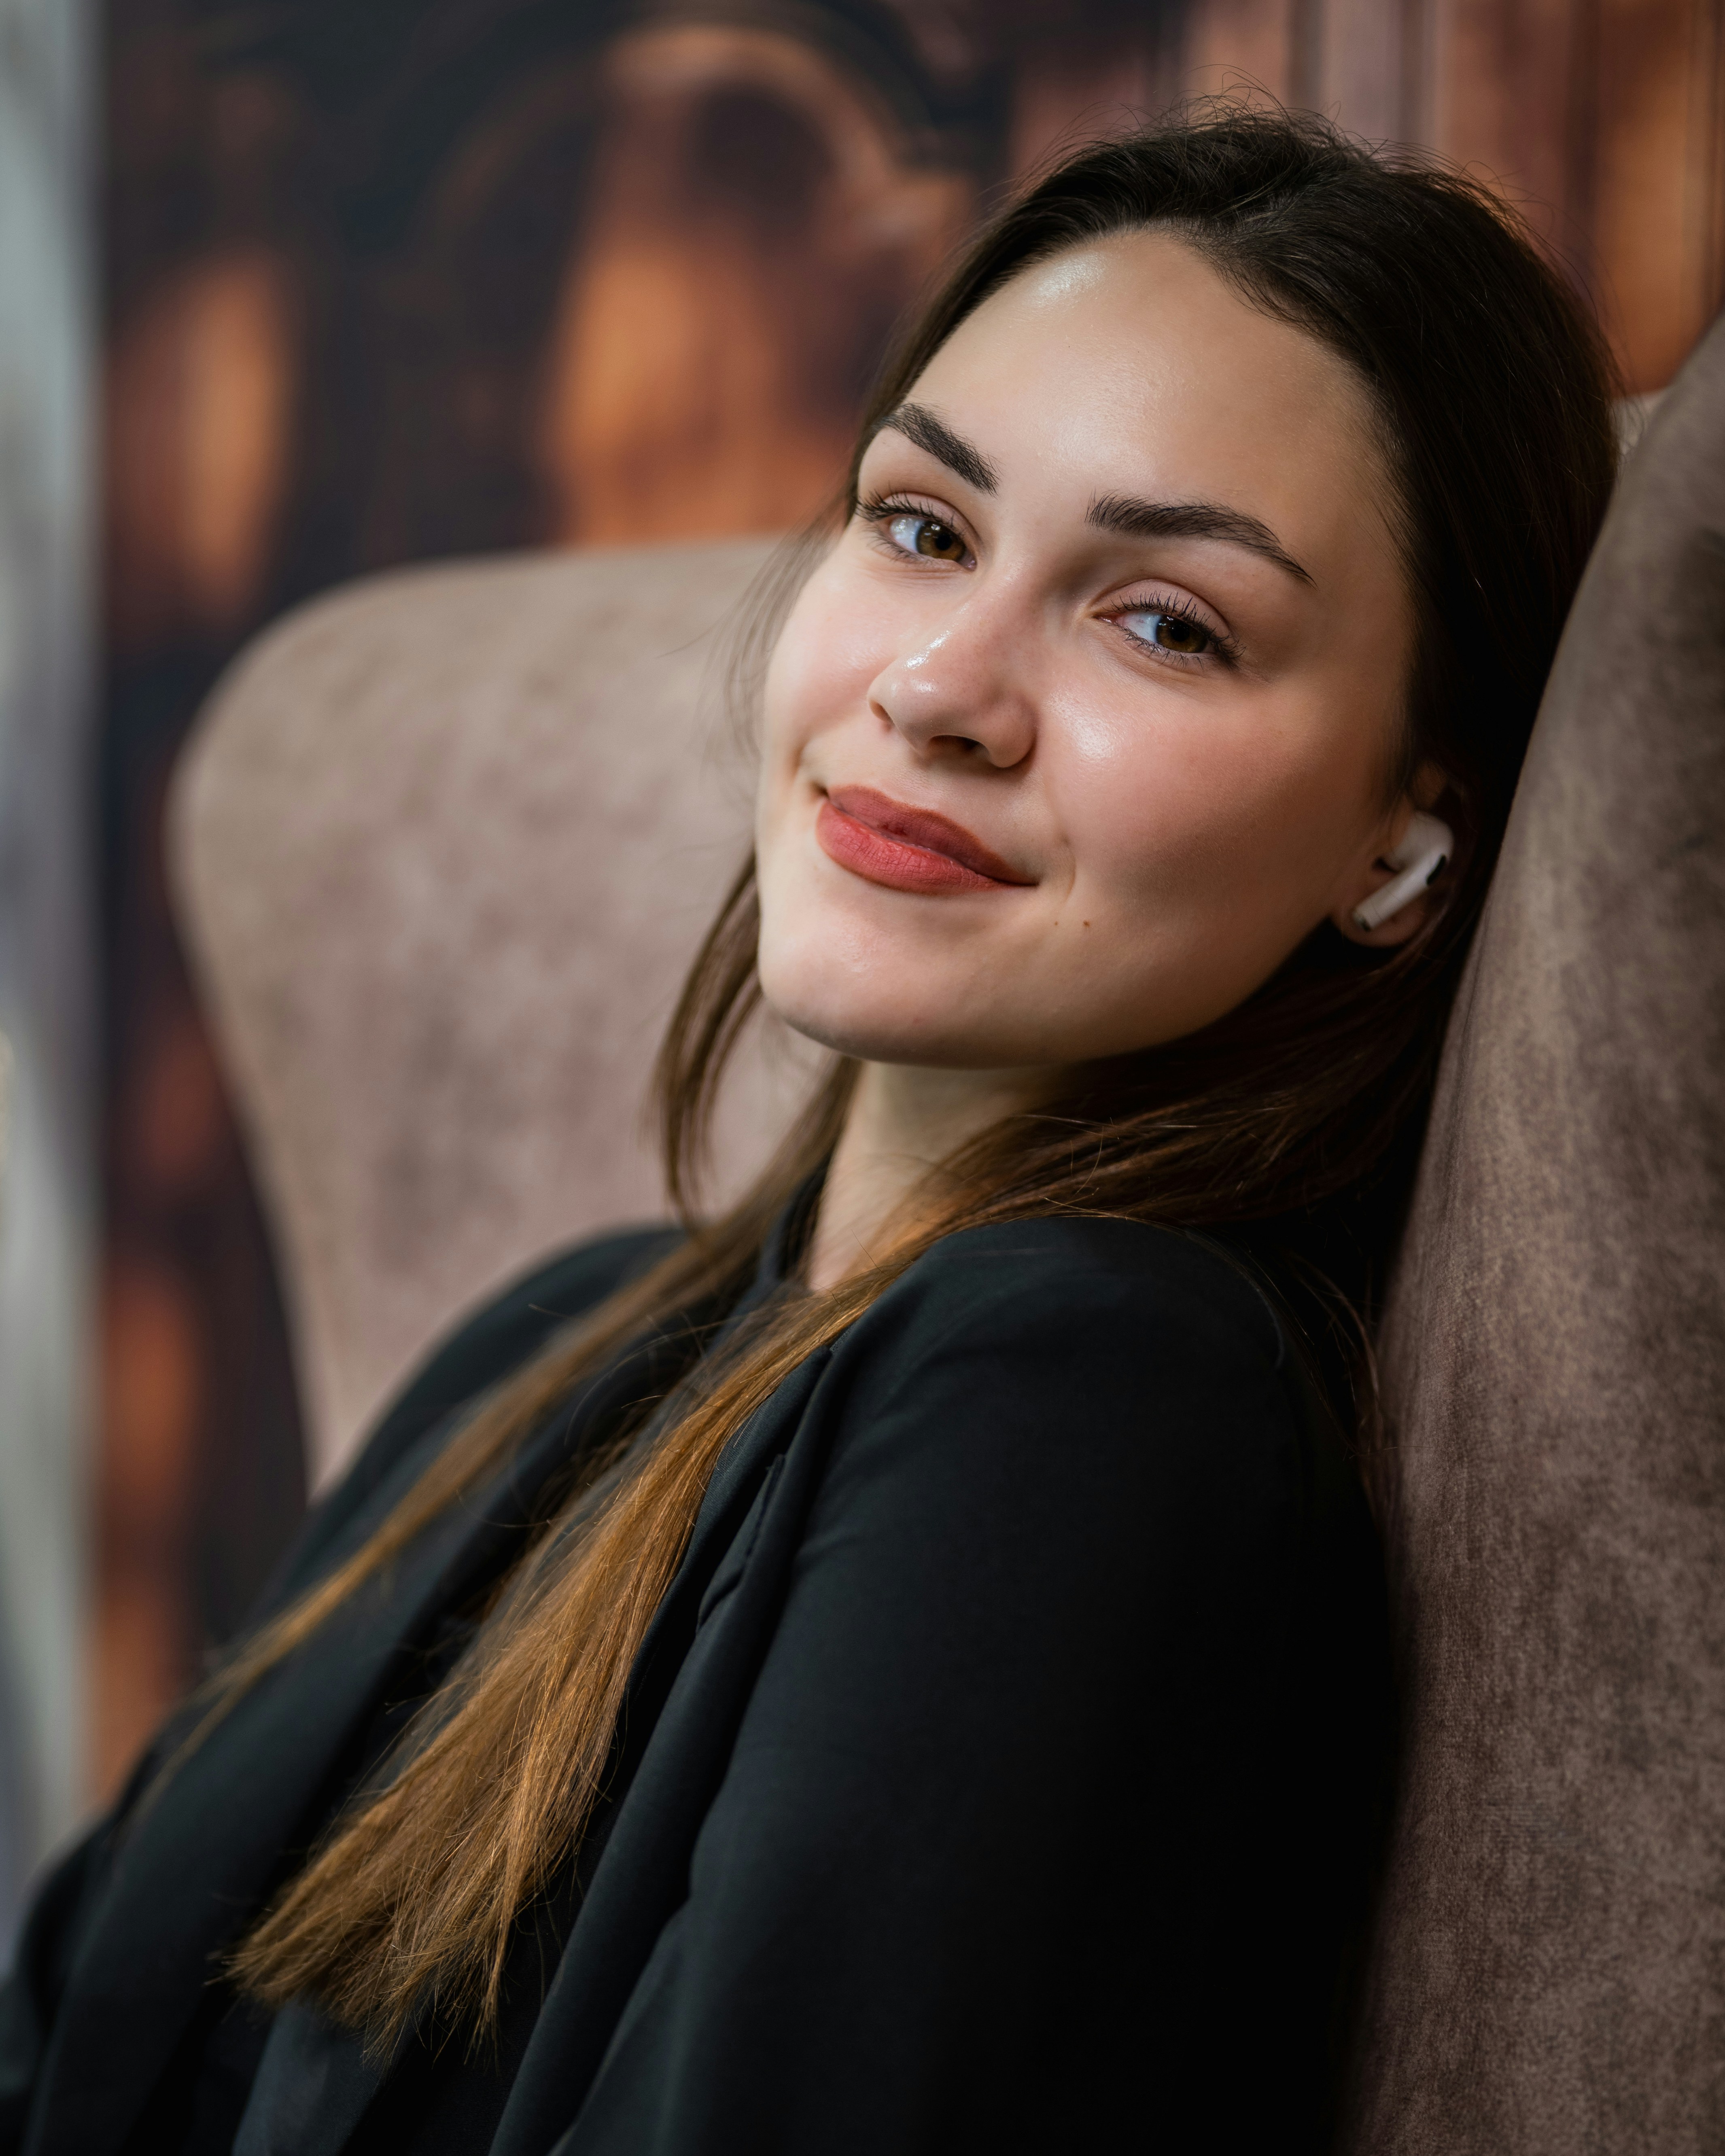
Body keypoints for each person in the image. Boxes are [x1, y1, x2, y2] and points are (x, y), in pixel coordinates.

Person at [1, 106, 1617, 2156]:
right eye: (924, 528)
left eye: (1165, 622)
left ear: (1406, 837)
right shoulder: (556, 1348)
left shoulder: (1092, 1386)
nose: (942, 685)